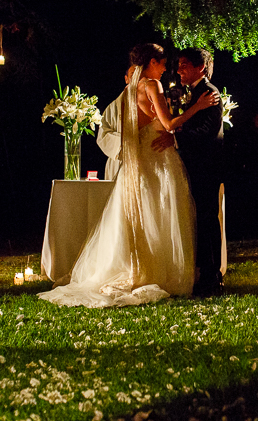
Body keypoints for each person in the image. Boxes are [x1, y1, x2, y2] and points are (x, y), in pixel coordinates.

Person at [39, 43, 217, 308]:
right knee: (161, 215)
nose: (167, 67)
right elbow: (168, 124)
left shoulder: (128, 90)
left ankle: (139, 269)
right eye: (163, 62)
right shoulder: (153, 86)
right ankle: (161, 273)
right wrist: (197, 107)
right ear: (151, 63)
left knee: (142, 217)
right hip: (158, 160)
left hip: (141, 160)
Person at [173, 48, 224, 297]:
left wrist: (178, 135)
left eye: (184, 64)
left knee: (206, 219)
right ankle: (203, 272)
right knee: (198, 219)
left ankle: (212, 276)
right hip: (194, 166)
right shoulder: (191, 94)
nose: (179, 69)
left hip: (206, 166)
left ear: (200, 67)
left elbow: (207, 131)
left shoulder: (210, 93)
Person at [96, 65, 134, 181]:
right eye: (133, 75)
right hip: (119, 160)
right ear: (126, 79)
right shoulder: (113, 108)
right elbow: (103, 136)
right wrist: (126, 142)